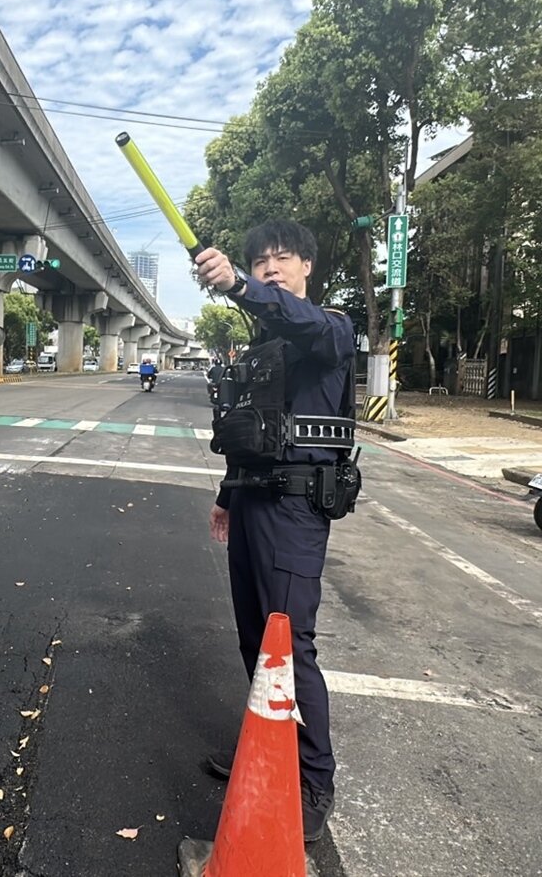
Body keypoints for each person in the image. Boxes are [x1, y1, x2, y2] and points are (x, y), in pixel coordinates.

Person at [194, 219, 355, 844]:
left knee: (291, 645)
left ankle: (315, 780)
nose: (270, 266)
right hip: (254, 504)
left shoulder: (328, 329)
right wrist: (226, 496)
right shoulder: (264, 349)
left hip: (296, 512)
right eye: (259, 260)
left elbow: (301, 321)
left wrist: (236, 284)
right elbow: (250, 429)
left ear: (306, 267)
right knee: (253, 641)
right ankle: (267, 747)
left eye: (282, 257)